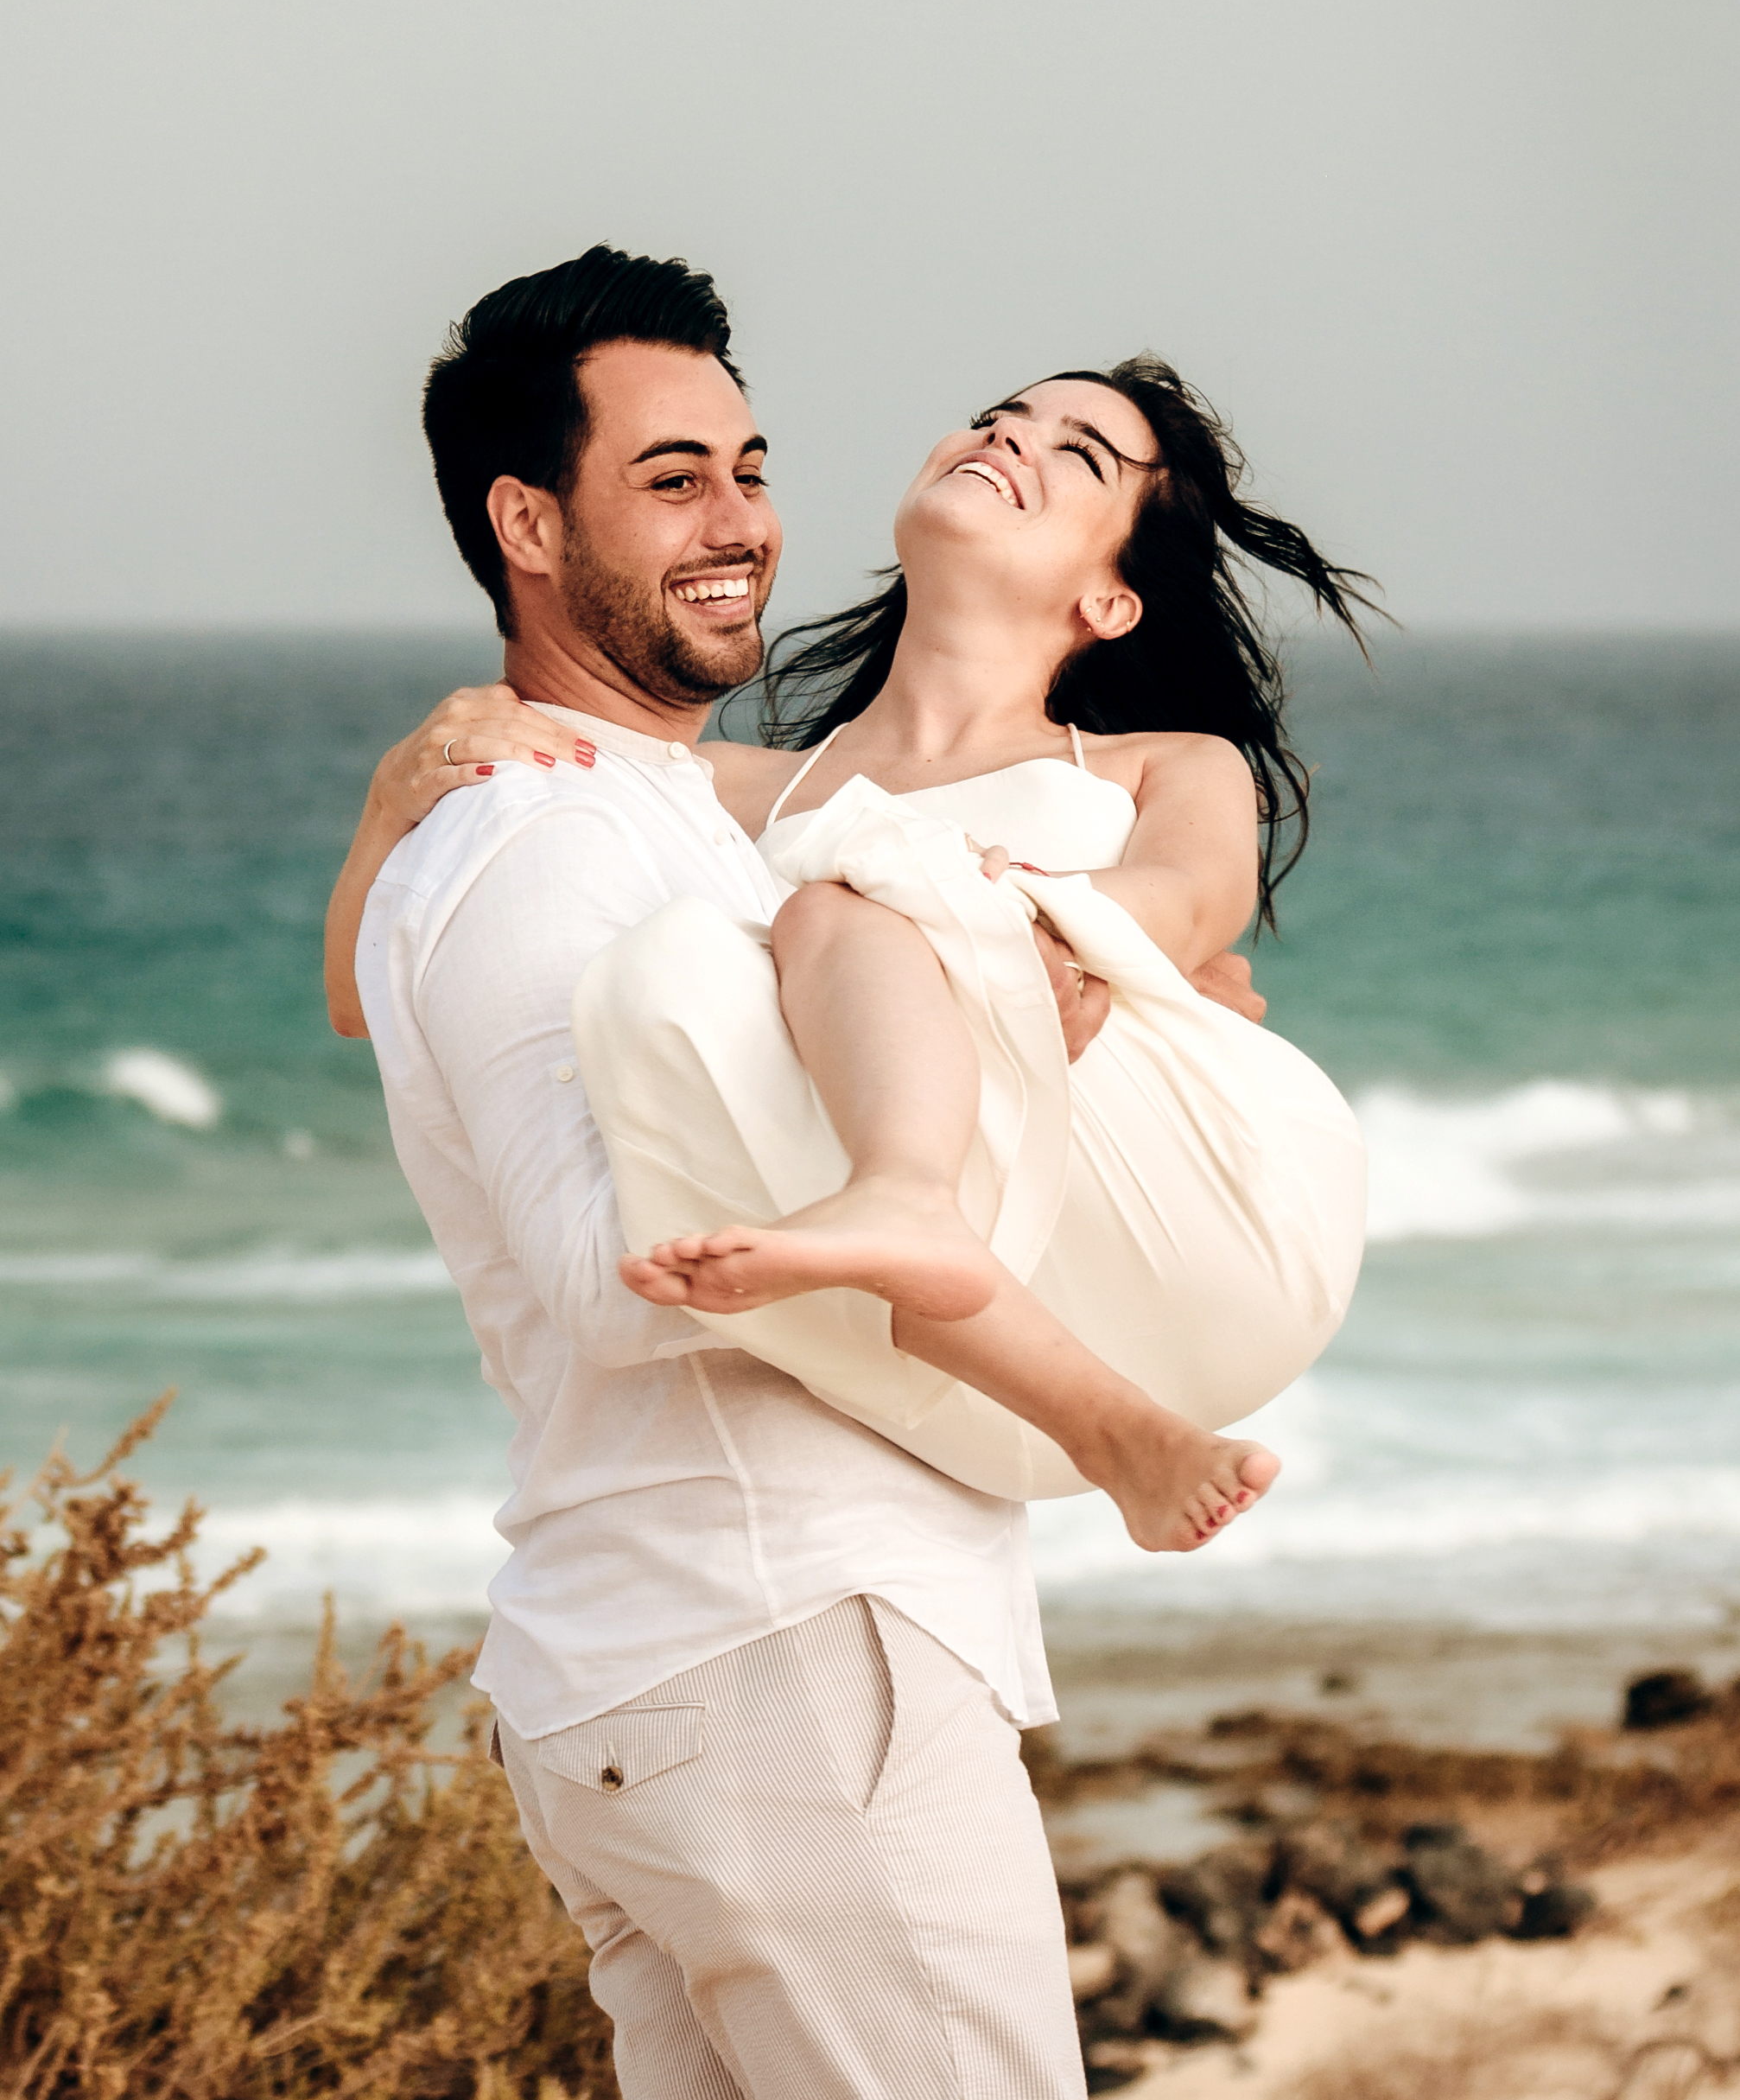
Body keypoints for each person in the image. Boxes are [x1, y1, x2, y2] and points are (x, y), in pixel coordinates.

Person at [330, 242, 1368, 2097]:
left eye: (747, 463)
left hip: (706, 1656)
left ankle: (1031, 1336)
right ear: (526, 522)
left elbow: (1186, 892)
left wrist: (1090, 933)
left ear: (1115, 589)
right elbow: (412, 991)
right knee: (821, 906)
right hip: (779, 1637)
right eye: (671, 477)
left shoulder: (1087, 767)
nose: (737, 511)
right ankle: (1061, 1374)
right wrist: (407, 772)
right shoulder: (733, 811)